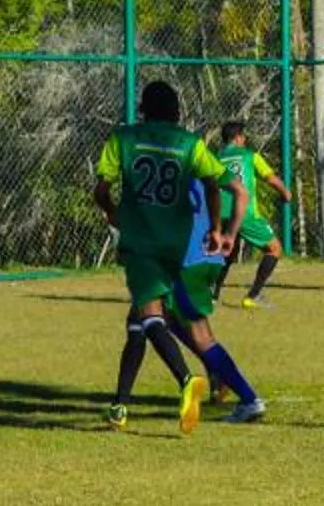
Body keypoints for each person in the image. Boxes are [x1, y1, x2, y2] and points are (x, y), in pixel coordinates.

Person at [92, 79, 265, 428]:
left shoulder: (124, 139)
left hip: (148, 247)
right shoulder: (190, 144)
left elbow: (101, 189)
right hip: (186, 250)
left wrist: (113, 213)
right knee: (171, 325)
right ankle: (123, 404)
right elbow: (231, 188)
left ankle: (190, 383)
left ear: (143, 109)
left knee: (151, 319)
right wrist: (222, 231)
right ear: (176, 111)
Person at [211, 120, 294, 307]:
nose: (245, 139)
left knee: (226, 253)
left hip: (220, 213)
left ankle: (212, 295)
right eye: (244, 136)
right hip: (244, 212)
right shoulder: (250, 156)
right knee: (274, 249)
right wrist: (285, 193)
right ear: (238, 138)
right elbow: (270, 178)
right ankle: (253, 296)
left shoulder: (215, 158)